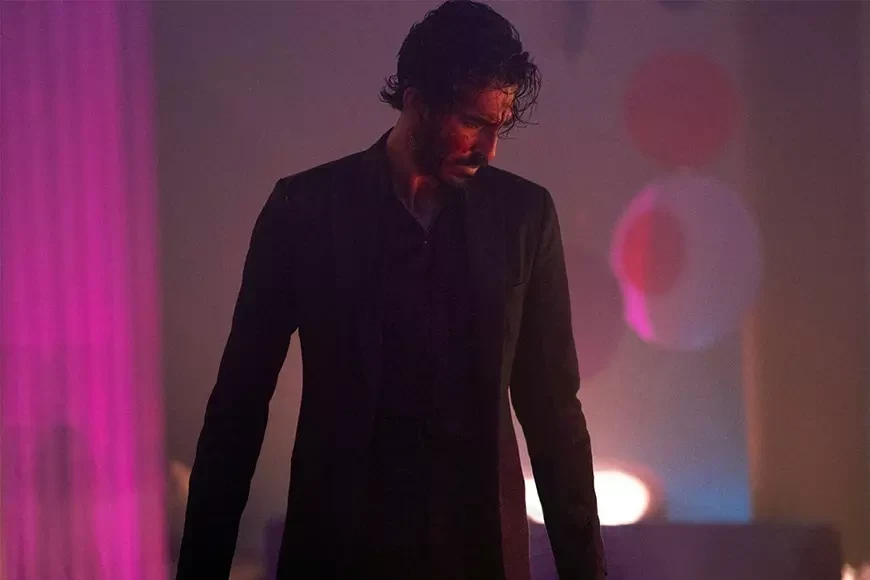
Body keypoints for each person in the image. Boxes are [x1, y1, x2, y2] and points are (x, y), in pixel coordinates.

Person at [176, 1, 606, 579]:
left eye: (498, 126)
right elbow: (239, 403)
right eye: (473, 122)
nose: (489, 149)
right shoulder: (305, 209)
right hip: (339, 553)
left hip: (480, 555)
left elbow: (554, 413)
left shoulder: (524, 216)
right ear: (416, 101)